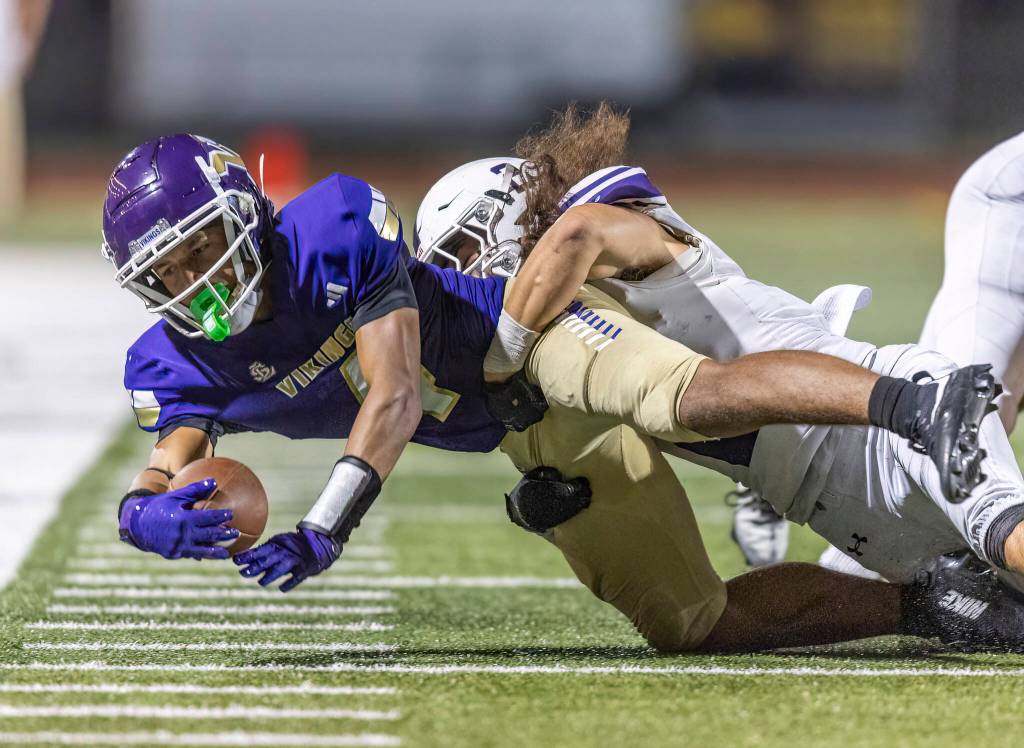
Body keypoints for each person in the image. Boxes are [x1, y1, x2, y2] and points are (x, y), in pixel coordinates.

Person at [105, 133, 994, 652]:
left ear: (243, 208)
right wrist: (145, 520)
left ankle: (911, 404)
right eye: (168, 273)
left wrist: (324, 529)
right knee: (690, 624)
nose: (197, 283)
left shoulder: (329, 228)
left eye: (200, 247)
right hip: (526, 434)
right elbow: (164, 466)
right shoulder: (171, 364)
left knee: (680, 397)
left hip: (522, 343)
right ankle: (924, 601)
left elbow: (395, 395)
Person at [412, 104, 1024, 627]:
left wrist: (502, 355)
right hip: (834, 506)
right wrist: (543, 502)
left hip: (895, 427)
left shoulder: (614, 235)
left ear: (508, 217)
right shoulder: (567, 349)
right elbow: (597, 458)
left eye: (461, 251)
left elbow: (577, 234)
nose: (461, 276)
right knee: (985, 605)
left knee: (1011, 541)